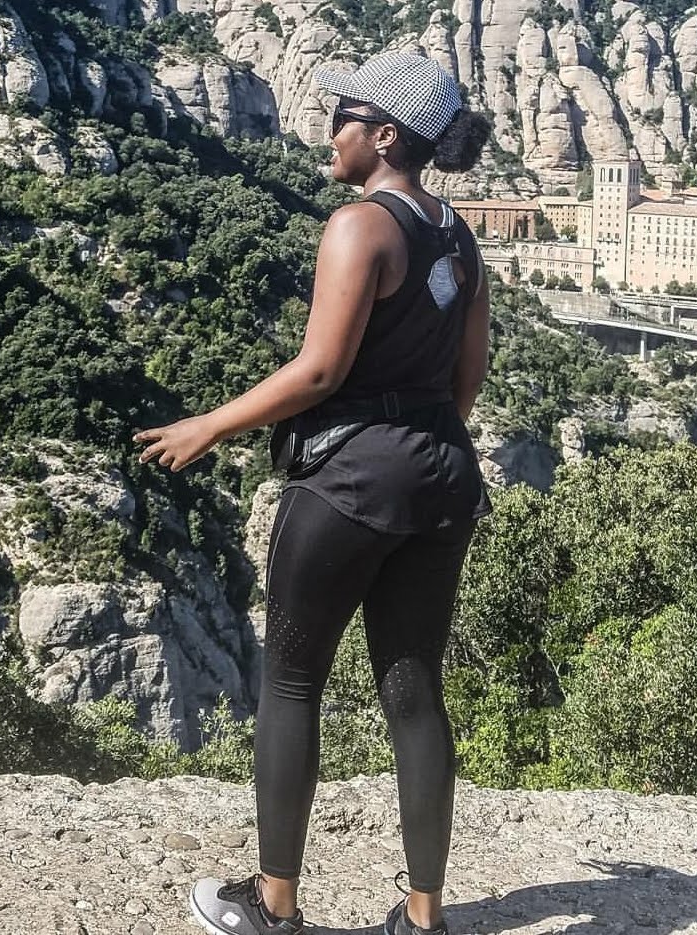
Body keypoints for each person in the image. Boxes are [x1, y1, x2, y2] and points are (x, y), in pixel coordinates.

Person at [134, 51, 493, 935]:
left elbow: (320, 367)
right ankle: (421, 917)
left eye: (342, 115)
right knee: (413, 691)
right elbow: (466, 380)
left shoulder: (359, 226)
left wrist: (208, 425)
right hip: (440, 477)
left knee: (292, 684)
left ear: (383, 134)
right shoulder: (458, 231)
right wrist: (415, 444)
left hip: (345, 482)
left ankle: (272, 907)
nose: (326, 131)